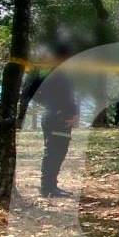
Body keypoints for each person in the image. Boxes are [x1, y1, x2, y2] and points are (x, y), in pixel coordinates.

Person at [22, 43, 79, 198]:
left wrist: (74, 114)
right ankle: (47, 187)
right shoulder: (52, 74)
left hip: (63, 118)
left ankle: (52, 185)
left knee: (60, 152)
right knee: (53, 152)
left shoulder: (63, 74)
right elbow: (28, 91)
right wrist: (56, 109)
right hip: (55, 118)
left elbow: (70, 98)